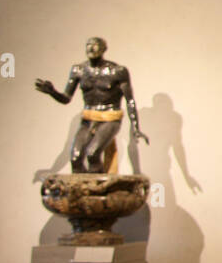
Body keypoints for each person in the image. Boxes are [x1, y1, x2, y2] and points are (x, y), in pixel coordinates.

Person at [34, 36, 149, 172]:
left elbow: (129, 100)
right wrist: (52, 92)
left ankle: (99, 189)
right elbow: (66, 98)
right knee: (75, 158)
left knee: (92, 154)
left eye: (95, 45)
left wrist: (135, 128)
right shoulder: (79, 70)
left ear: (104, 49)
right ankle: (82, 191)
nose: (91, 48)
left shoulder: (117, 71)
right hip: (88, 118)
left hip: (109, 118)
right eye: (88, 44)